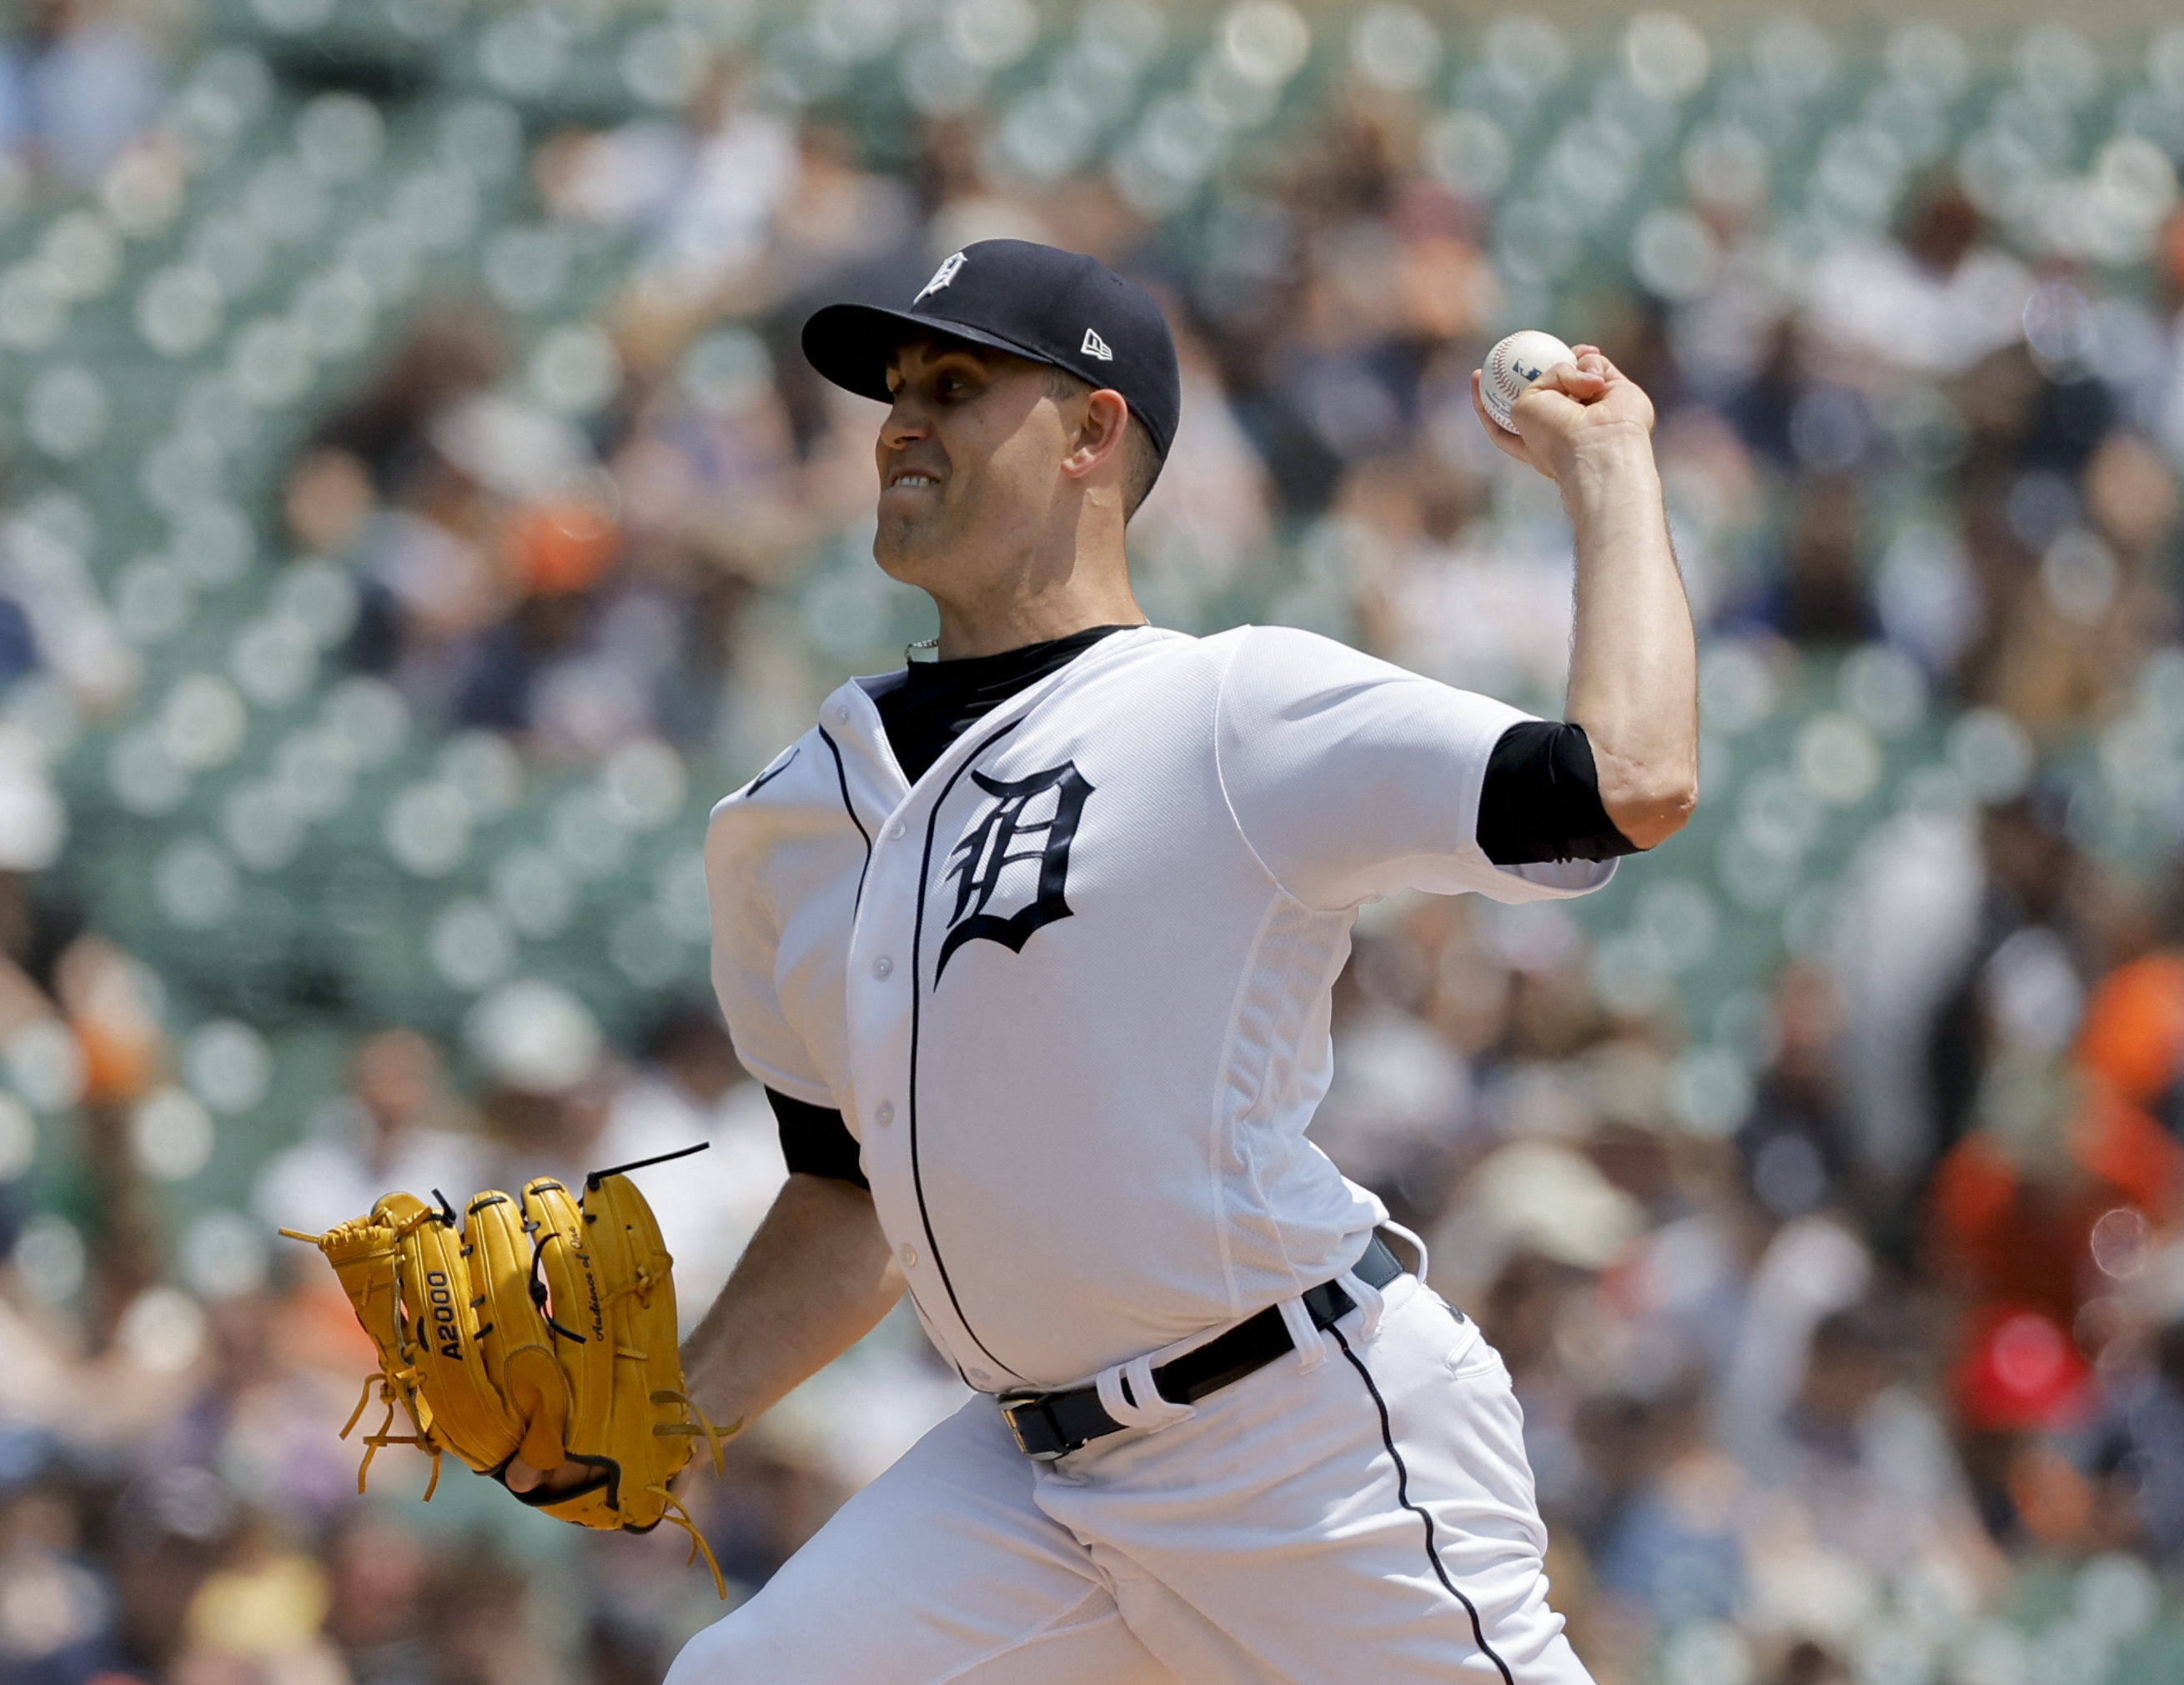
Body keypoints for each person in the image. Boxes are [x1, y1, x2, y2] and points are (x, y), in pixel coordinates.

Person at [513, 241, 1698, 1680]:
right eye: (894, 390)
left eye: (956, 384)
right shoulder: (790, 819)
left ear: (1093, 429)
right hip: (1035, 1485)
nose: (901, 420)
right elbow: (851, 1201)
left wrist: (1612, 467)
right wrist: (666, 1419)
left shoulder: (1229, 712)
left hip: (1298, 1442)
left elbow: (1626, 777)